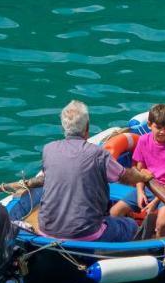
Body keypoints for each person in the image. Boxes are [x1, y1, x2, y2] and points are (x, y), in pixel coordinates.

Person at [37, 100, 154, 241]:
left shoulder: (48, 149)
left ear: (64, 128)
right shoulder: (98, 154)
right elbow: (125, 176)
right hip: (86, 233)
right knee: (130, 225)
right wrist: (142, 176)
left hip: (46, 230)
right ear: (87, 127)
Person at [110, 103, 165, 220]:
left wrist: (155, 202)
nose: (162, 132)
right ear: (150, 125)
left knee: (162, 222)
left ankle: (162, 237)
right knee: (114, 212)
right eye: (158, 127)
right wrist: (140, 192)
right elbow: (139, 172)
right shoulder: (143, 141)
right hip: (148, 187)